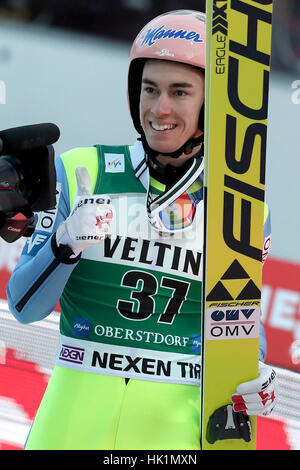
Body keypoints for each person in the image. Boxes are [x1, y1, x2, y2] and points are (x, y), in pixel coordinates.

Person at [7, 10, 276, 450]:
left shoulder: (241, 209)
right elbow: (23, 306)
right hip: (72, 421)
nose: (160, 108)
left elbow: (247, 328)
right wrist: (64, 244)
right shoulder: (82, 170)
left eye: (180, 92)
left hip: (174, 432)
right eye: (149, 90)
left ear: (213, 104)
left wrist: (254, 370)